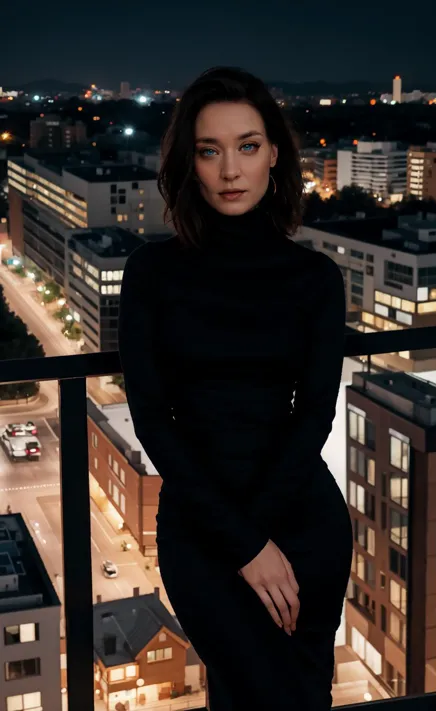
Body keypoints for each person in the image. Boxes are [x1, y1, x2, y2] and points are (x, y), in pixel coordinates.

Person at [118, 66, 353, 710]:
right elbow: (151, 419)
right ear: (188, 162)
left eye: (247, 146)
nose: (230, 170)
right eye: (209, 149)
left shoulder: (315, 279)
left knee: (298, 694)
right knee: (253, 688)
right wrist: (246, 544)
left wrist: (266, 535)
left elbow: (314, 420)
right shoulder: (151, 274)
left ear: (274, 155)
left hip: (304, 523)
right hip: (203, 527)